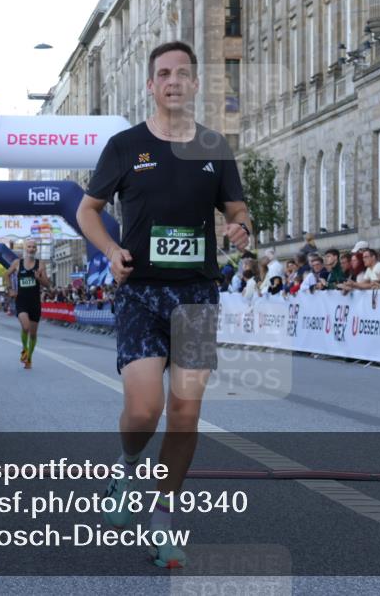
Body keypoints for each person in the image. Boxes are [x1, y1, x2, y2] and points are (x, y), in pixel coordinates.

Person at [75, 40, 251, 569]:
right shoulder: (125, 146)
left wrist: (240, 226)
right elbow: (88, 210)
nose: (173, 81)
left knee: (185, 414)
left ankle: (163, 518)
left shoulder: (215, 147)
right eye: (163, 74)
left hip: (196, 294)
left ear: (195, 85)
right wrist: (110, 251)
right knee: (145, 409)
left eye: (183, 74)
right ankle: (126, 469)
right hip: (141, 293)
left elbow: (238, 208)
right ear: (151, 87)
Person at [6, 238, 51, 369]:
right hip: (21, 300)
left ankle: (29, 358)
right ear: (25, 249)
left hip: (35, 302)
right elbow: (6, 275)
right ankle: (24, 350)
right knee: (25, 327)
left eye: (33, 247)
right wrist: (10, 289)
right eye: (29, 247)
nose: (31, 249)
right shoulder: (17, 263)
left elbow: (47, 284)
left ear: (36, 249)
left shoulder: (41, 264)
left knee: (33, 333)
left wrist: (39, 278)